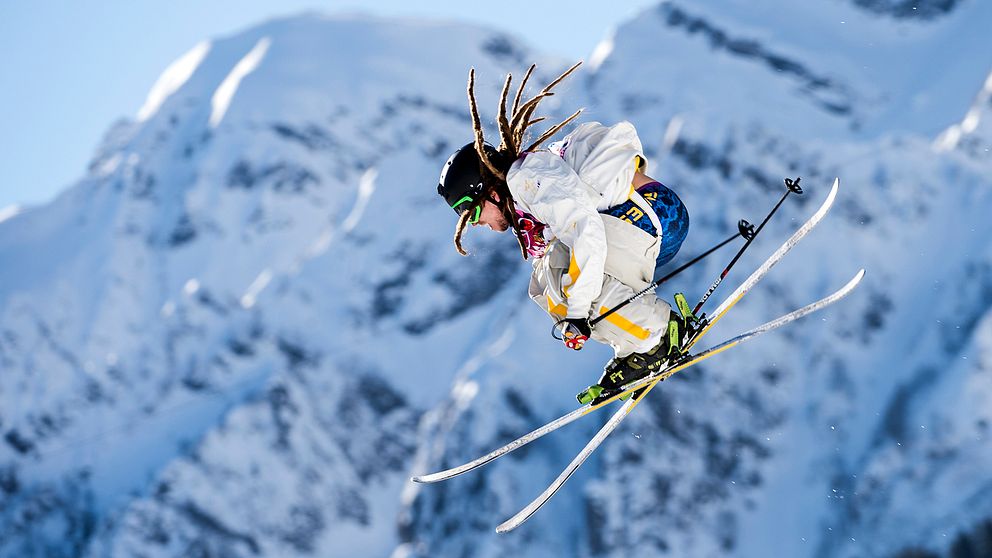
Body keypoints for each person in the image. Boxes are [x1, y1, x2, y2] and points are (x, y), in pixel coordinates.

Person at [436, 62, 691, 403]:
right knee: (549, 280)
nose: (477, 223)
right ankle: (638, 341)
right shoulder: (529, 184)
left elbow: (586, 231)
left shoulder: (527, 181)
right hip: (647, 216)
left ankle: (655, 336)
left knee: (558, 276)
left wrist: (577, 313)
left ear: (489, 191)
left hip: (650, 214)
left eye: (473, 212)